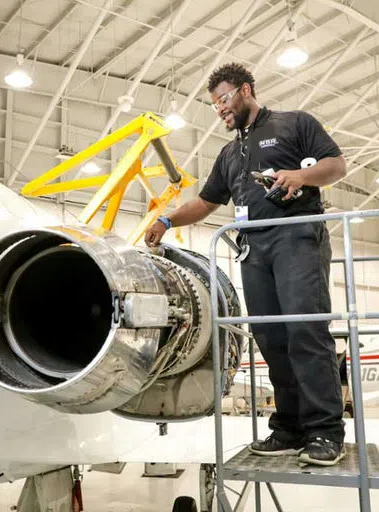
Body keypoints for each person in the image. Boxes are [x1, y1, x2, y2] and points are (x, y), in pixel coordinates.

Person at [144, 62, 348, 466]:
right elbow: (205, 203)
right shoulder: (229, 153)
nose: (219, 109)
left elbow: (337, 167)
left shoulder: (294, 124)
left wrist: (300, 177)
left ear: (246, 90)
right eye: (214, 104)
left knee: (305, 330)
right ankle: (289, 427)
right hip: (254, 249)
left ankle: (325, 431)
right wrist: (167, 219)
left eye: (223, 99)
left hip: (297, 239)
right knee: (271, 339)